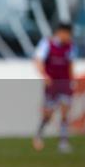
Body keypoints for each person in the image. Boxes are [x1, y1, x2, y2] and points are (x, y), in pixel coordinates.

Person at [33, 23, 76, 153]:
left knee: (65, 111)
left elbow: (70, 64)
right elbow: (38, 61)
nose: (68, 37)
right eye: (66, 34)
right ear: (59, 33)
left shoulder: (70, 46)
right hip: (52, 84)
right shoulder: (47, 44)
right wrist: (44, 75)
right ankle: (39, 134)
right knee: (48, 113)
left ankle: (63, 141)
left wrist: (72, 80)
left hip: (64, 82)